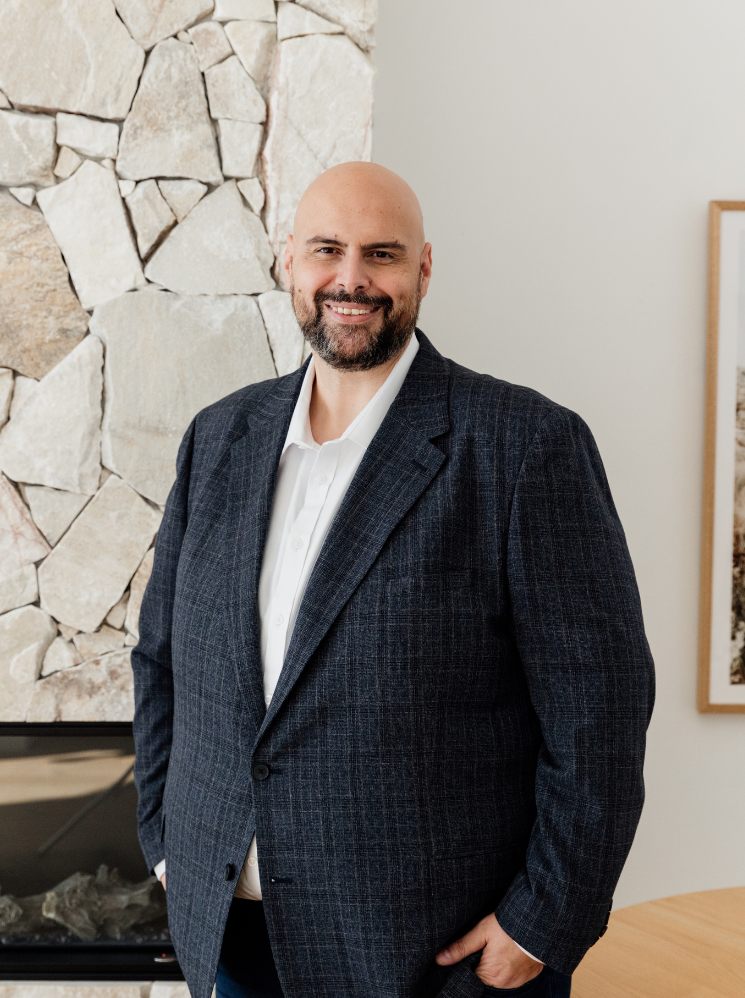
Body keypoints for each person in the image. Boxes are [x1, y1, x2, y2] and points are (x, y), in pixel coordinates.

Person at [132, 162, 655, 998]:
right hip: (227, 937)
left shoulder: (524, 448)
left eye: (381, 254)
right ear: (288, 262)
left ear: (423, 269)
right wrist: (165, 842)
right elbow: (160, 660)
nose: (351, 279)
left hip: (430, 961)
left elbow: (602, 716)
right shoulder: (218, 439)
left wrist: (544, 920)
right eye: (327, 251)